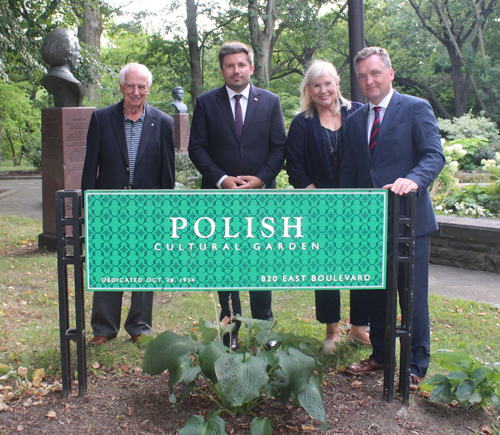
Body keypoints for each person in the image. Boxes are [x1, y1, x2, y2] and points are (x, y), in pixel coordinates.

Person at [340, 47, 445, 390]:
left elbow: (434, 154)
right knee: (375, 296)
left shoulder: (415, 108)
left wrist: (413, 180)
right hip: (370, 224)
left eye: (374, 73)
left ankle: (415, 366)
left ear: (390, 73)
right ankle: (381, 356)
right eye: (362, 76)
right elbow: (352, 172)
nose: (368, 81)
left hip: (410, 222)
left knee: (411, 296)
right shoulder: (354, 120)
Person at [188, 41, 286, 350]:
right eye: (229, 65)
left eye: (241, 64)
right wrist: (220, 179)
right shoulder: (206, 103)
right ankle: (230, 332)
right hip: (220, 199)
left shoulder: (270, 102)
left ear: (251, 68)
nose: (236, 70)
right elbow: (196, 148)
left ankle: (263, 332)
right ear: (222, 70)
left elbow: (279, 147)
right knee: (225, 264)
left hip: (260, 198)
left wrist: (260, 179)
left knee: (259, 264)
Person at [81, 63, 176, 346]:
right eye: (131, 86)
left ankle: (139, 327)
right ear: (122, 87)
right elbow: (90, 168)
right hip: (110, 204)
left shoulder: (164, 122)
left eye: (142, 86)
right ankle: (103, 327)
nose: (136, 92)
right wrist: (90, 204)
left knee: (144, 266)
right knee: (110, 264)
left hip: (148, 206)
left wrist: (164, 208)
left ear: (148, 88)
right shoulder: (101, 118)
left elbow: (167, 174)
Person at [286, 60, 369, 353]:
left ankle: (359, 328)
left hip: (357, 205)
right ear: (309, 89)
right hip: (319, 205)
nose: (323, 90)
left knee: (360, 265)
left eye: (328, 83)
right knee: (326, 268)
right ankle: (332, 330)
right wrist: (312, 194)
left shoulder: (359, 112)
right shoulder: (302, 123)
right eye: (316, 85)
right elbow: (294, 165)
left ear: (337, 84)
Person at [41, 28, 84, 107]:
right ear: (68, 53)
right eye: (77, 51)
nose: (79, 56)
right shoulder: (72, 83)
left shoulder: (50, 77)